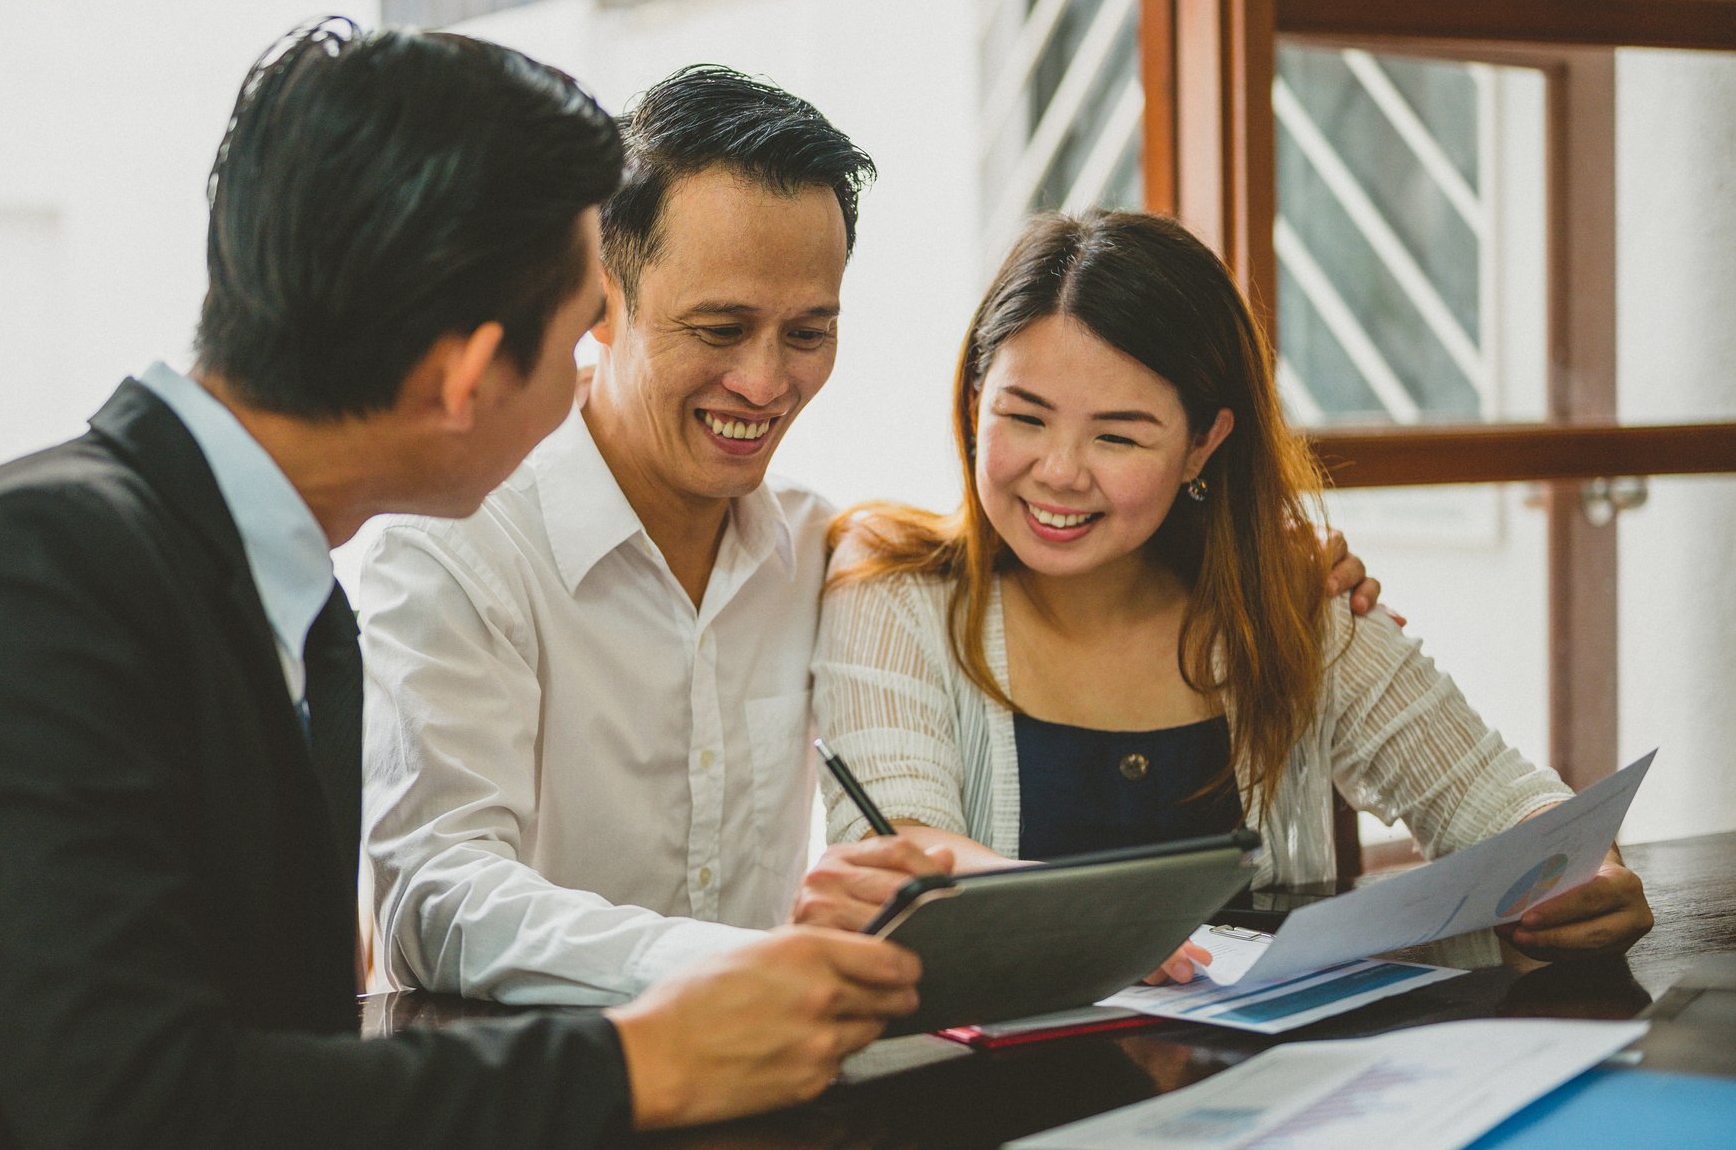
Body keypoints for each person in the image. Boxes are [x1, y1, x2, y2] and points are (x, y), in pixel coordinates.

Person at [0, 21, 926, 1150]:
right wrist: (649, 1056)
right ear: (466, 374)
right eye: (581, 325)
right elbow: (152, 1137)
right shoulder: (41, 569)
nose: (591, 372)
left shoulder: (273, 581)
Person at [361, 69, 1382, 1009]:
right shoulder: (458, 545)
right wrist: (739, 962)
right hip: (527, 1118)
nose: (765, 383)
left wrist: (1247, 554)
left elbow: (983, 550)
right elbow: (434, 898)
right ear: (600, 308)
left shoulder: (815, 547)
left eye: (808, 332)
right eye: (718, 329)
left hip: (771, 1103)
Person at [813, 209, 1652, 961]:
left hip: (1271, 1094)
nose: (1059, 473)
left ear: (1204, 446)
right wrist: (1100, 926)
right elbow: (899, 847)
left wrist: (1580, 868)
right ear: (972, 403)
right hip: (997, 1100)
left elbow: (1492, 798)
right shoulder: (895, 590)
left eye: (1119, 437)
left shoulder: (1291, 598)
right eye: (1023, 418)